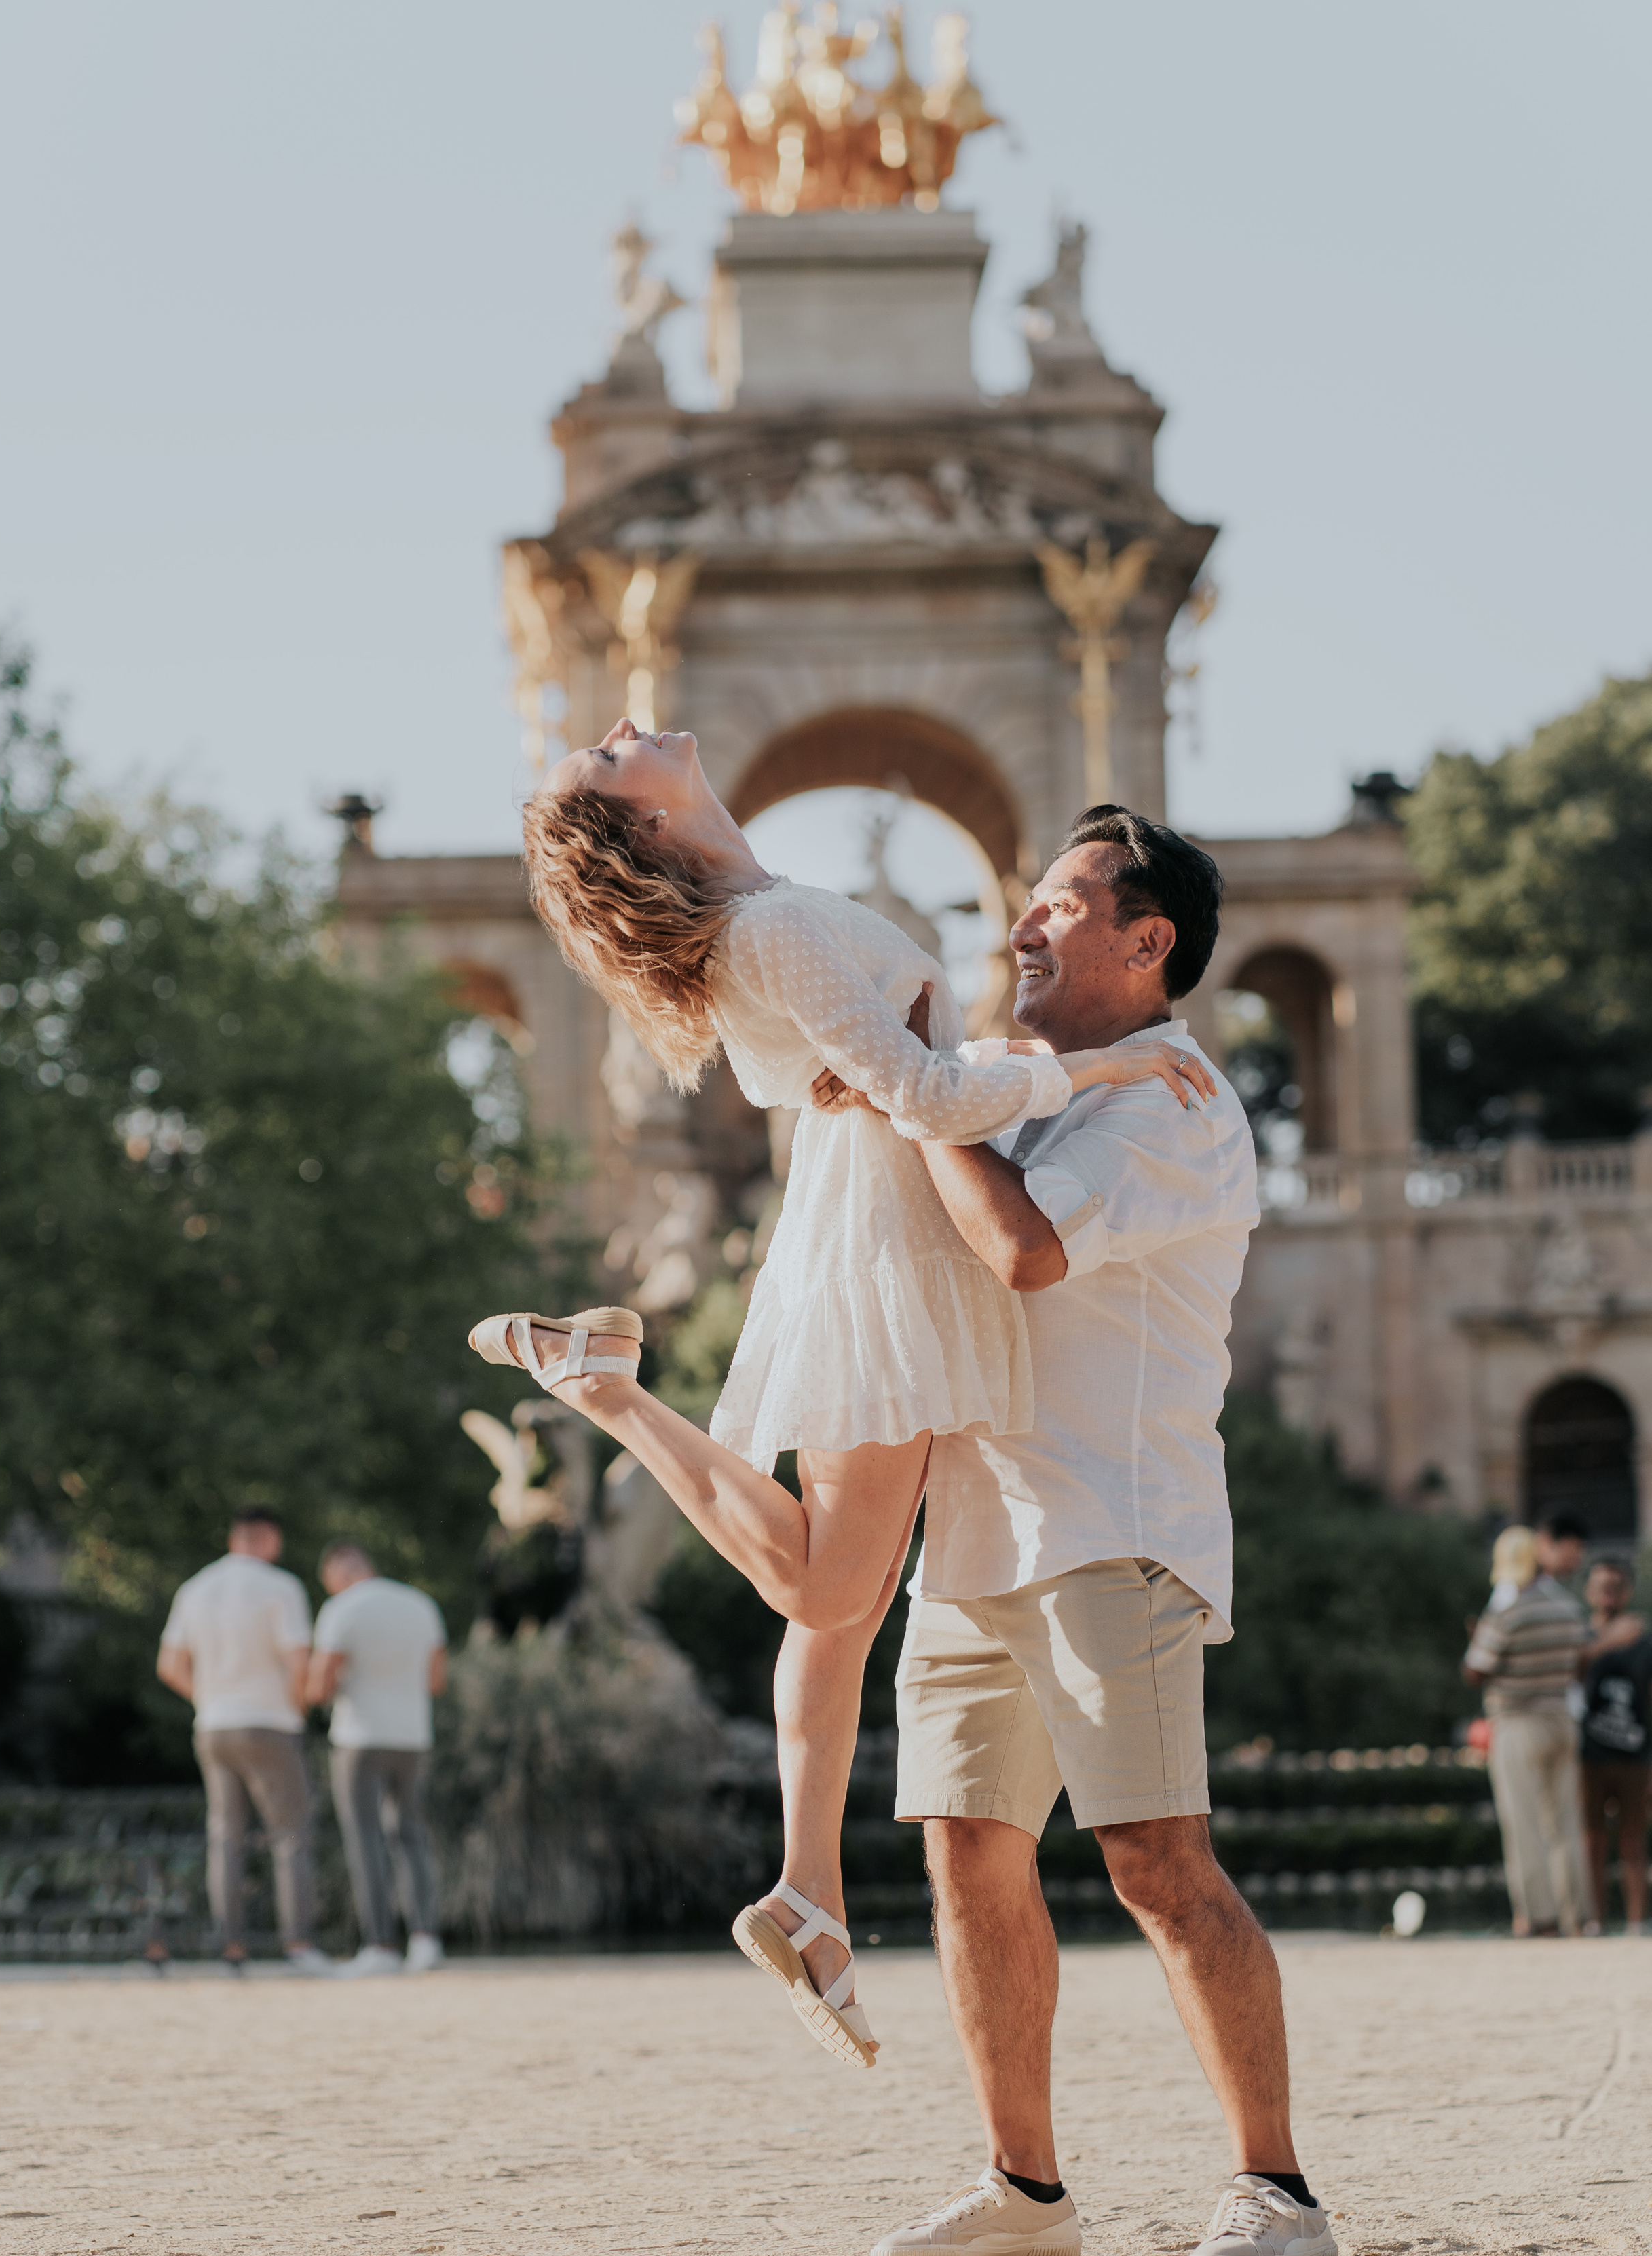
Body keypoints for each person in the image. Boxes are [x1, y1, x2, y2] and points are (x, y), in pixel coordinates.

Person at [471, 719, 1213, 2067]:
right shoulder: (770, 931)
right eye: (601, 757)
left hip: (875, 1228)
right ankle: (609, 1390)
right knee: (827, 1587)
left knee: (844, 1602)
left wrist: (939, 1065)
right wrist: (1093, 1066)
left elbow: (880, 1071)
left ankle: (807, 1890)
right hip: (886, 1245)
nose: (618, 729)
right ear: (639, 825)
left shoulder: (766, 914)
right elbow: (922, 1090)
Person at [831, 809, 1335, 2256]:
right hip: (974, 1532)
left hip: (1114, 1523)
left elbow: (1024, 1249)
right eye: (1022, 903)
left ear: (1145, 938)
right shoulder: (1035, 1088)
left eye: (1056, 902)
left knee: (1157, 1861)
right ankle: (1023, 2185)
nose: (1021, 928)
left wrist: (912, 1093)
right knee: (966, 1856)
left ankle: (1277, 2187)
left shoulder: (1173, 1103)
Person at [157, 1504, 333, 1974]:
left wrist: (210, 1699)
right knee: (291, 1833)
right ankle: (298, 1945)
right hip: (270, 1722)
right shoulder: (281, 1587)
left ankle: (230, 1946)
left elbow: (169, 1666)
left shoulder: (195, 1588)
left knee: (225, 1837)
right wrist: (298, 1709)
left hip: (213, 1725)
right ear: (270, 1538)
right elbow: (300, 1661)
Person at [307, 1541, 449, 1975]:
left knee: (365, 1838)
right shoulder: (420, 1605)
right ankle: (425, 1941)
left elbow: (319, 1687)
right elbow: (436, 1680)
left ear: (337, 1573)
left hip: (359, 1737)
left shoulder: (341, 1610)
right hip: (412, 1736)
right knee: (411, 1835)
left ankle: (381, 1945)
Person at [1462, 1511, 1592, 1935]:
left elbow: (1476, 1670)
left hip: (1518, 1723)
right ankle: (1578, 1915)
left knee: (1524, 1824)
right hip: (1562, 1720)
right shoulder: (1570, 1608)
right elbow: (1579, 1666)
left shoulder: (1508, 1614)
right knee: (1566, 1824)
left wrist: (1477, 1638)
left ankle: (1539, 1917)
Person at [1577, 1555, 1649, 1934]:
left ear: (1628, 1591)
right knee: (1591, 1842)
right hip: (1588, 1755)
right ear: (1589, 1590)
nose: (1609, 1594)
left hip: (1634, 1756)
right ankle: (1595, 1921)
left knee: (1634, 1841)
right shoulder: (1578, 1635)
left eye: (1616, 1587)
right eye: (1603, 1586)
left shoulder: (1643, 1640)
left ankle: (1637, 1923)